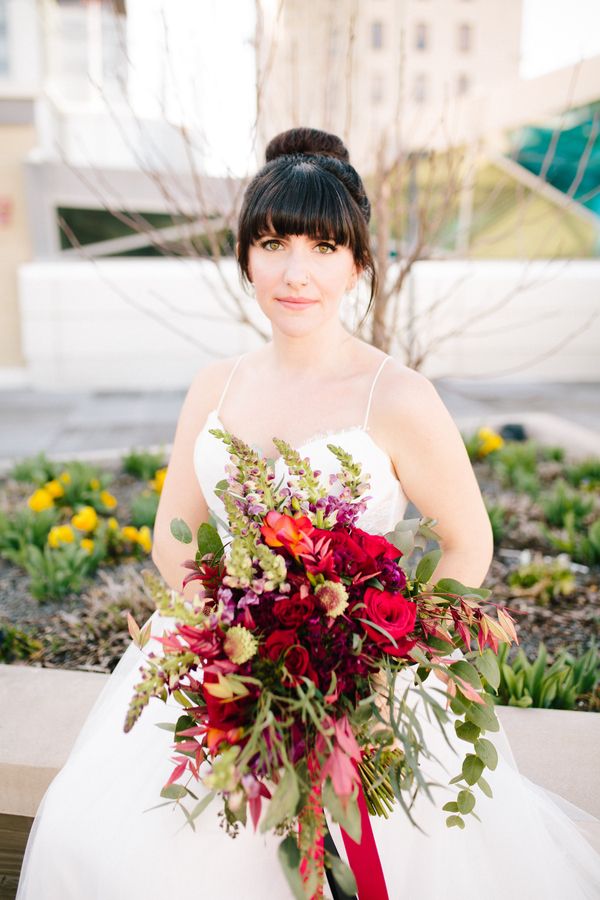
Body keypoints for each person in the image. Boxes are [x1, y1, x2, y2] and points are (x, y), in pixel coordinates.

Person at [16, 127, 600, 899]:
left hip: (363, 679)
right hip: (216, 668)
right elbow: (171, 535)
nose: (297, 273)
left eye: (324, 249)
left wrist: (381, 658)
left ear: (359, 263)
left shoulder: (397, 396)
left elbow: (468, 541)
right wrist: (229, 645)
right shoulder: (213, 387)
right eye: (273, 243)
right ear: (245, 257)